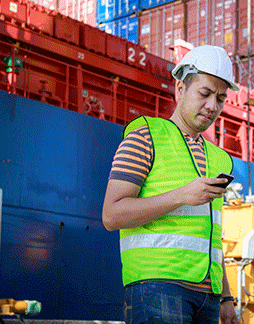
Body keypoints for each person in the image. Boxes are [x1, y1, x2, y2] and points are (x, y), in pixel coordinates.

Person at [102, 45, 240, 324]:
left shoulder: (219, 159)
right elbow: (111, 215)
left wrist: (226, 296)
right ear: (180, 89)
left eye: (221, 98)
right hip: (158, 287)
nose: (213, 106)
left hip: (208, 297)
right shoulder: (146, 137)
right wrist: (182, 195)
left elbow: (210, 235)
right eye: (204, 93)